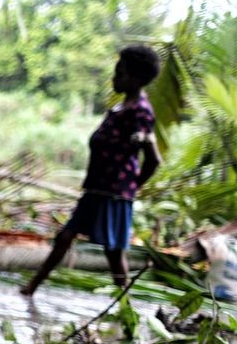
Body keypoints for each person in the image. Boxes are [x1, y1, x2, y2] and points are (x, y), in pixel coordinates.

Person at [21, 45, 162, 296]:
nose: (115, 78)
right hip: (97, 188)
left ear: (138, 78)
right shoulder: (122, 108)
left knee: (113, 252)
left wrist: (131, 189)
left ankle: (123, 302)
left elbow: (153, 159)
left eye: (121, 73)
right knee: (66, 237)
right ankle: (31, 288)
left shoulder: (140, 112)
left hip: (113, 193)